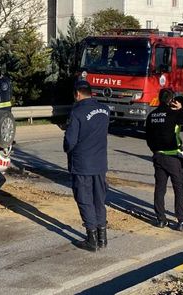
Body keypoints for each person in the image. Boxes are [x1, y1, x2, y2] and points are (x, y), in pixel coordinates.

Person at [63, 80, 110, 251]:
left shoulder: (77, 112)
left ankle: (91, 239)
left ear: (77, 94)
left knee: (84, 199)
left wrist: (67, 149)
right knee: (99, 199)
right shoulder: (104, 110)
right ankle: (102, 236)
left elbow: (70, 141)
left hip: (82, 163)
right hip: (100, 163)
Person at [145, 89, 183, 231]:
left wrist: (154, 150)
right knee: (178, 188)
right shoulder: (174, 114)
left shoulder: (152, 115)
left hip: (158, 155)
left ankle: (161, 219)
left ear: (159, 98)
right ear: (171, 100)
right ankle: (181, 221)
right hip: (173, 156)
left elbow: (147, 137)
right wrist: (181, 109)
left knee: (160, 188)